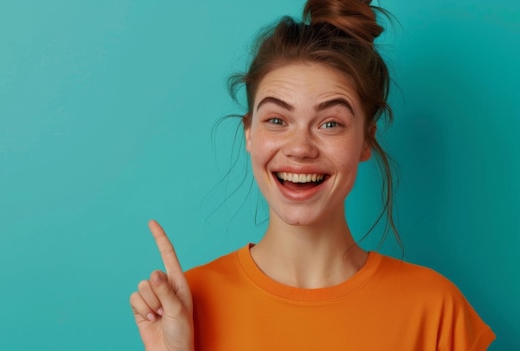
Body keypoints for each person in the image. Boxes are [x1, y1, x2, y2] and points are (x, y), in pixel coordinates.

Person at [129, 0, 496, 350]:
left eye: (330, 123)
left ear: (366, 140)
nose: (300, 147)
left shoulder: (436, 310)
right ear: (249, 134)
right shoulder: (187, 304)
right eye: (277, 120)